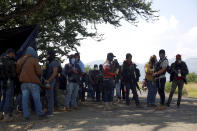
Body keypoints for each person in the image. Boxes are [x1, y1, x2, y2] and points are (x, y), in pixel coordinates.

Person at [16, 47, 46, 120]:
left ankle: (26, 116)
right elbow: (39, 72)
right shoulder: (34, 60)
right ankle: (40, 114)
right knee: (36, 99)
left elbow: (17, 72)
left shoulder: (19, 60)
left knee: (24, 100)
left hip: (23, 83)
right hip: (33, 83)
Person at [0, 48, 16, 122]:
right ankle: (7, 116)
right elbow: (13, 74)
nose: (14, 55)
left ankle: (0, 114)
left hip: (3, 82)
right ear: (10, 53)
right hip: (9, 81)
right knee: (8, 98)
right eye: (13, 53)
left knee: (4, 98)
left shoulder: (1, 60)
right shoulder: (10, 61)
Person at [44, 50, 59, 116]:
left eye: (48, 55)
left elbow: (55, 73)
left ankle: (50, 112)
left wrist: (49, 80)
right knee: (48, 96)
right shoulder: (47, 62)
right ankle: (49, 110)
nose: (47, 56)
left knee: (50, 96)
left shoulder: (54, 62)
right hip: (47, 81)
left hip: (51, 81)